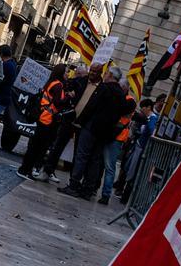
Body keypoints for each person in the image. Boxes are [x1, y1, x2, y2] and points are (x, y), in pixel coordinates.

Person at [60, 65, 136, 201]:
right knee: (95, 160)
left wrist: (80, 120)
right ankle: (88, 189)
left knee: (82, 156)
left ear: (111, 75)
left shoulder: (103, 88)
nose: (105, 75)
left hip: (91, 127)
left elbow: (91, 105)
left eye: (106, 73)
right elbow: (127, 108)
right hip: (105, 132)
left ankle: (73, 185)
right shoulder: (121, 94)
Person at [42, 63, 94, 182]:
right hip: (68, 119)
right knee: (57, 146)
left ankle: (74, 179)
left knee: (78, 152)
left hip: (82, 122)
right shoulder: (73, 83)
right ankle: (48, 170)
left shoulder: (93, 86)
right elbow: (61, 98)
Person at [17, 64, 67, 179]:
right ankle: (25, 170)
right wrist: (68, 97)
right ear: (61, 73)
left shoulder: (51, 82)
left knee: (34, 146)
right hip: (47, 120)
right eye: (66, 72)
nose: (67, 74)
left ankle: (25, 169)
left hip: (43, 118)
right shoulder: (58, 85)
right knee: (37, 147)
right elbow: (58, 103)